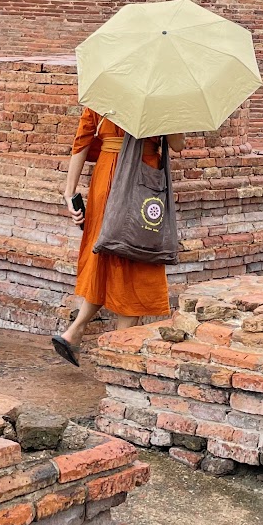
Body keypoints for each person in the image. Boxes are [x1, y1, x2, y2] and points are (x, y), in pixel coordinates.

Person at [52, 107, 186, 366]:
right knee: (138, 256)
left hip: (106, 178)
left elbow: (82, 141)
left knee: (105, 255)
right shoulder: (161, 98)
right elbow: (178, 145)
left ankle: (74, 331)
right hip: (140, 179)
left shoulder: (106, 93)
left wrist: (69, 193)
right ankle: (119, 353)